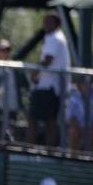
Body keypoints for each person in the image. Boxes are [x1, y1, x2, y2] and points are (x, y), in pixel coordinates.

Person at [27, 12, 70, 147]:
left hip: (49, 88)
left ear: (57, 24)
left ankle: (29, 152)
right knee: (49, 121)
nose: (45, 25)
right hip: (52, 87)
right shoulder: (57, 38)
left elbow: (47, 60)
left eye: (49, 22)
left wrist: (34, 71)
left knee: (35, 119)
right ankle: (49, 153)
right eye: (44, 22)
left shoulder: (54, 38)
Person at [65, 76, 93, 151]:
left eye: (87, 83)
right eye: (83, 83)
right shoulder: (73, 98)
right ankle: (73, 158)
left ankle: (91, 159)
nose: (86, 86)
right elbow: (70, 117)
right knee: (73, 132)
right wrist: (80, 127)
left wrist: (90, 128)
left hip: (92, 127)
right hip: (77, 127)